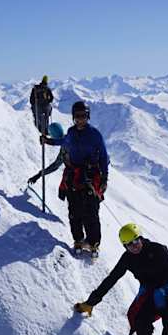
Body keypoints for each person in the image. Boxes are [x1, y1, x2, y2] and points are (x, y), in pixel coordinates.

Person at [42, 100, 109, 255]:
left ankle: (93, 242)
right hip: (74, 177)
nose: (80, 119)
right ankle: (78, 239)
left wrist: (104, 177)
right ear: (73, 117)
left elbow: (104, 156)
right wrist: (48, 141)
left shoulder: (95, 135)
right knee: (74, 211)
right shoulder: (72, 132)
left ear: (88, 116)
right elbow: (63, 141)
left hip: (91, 178)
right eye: (77, 116)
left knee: (91, 213)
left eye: (83, 116)